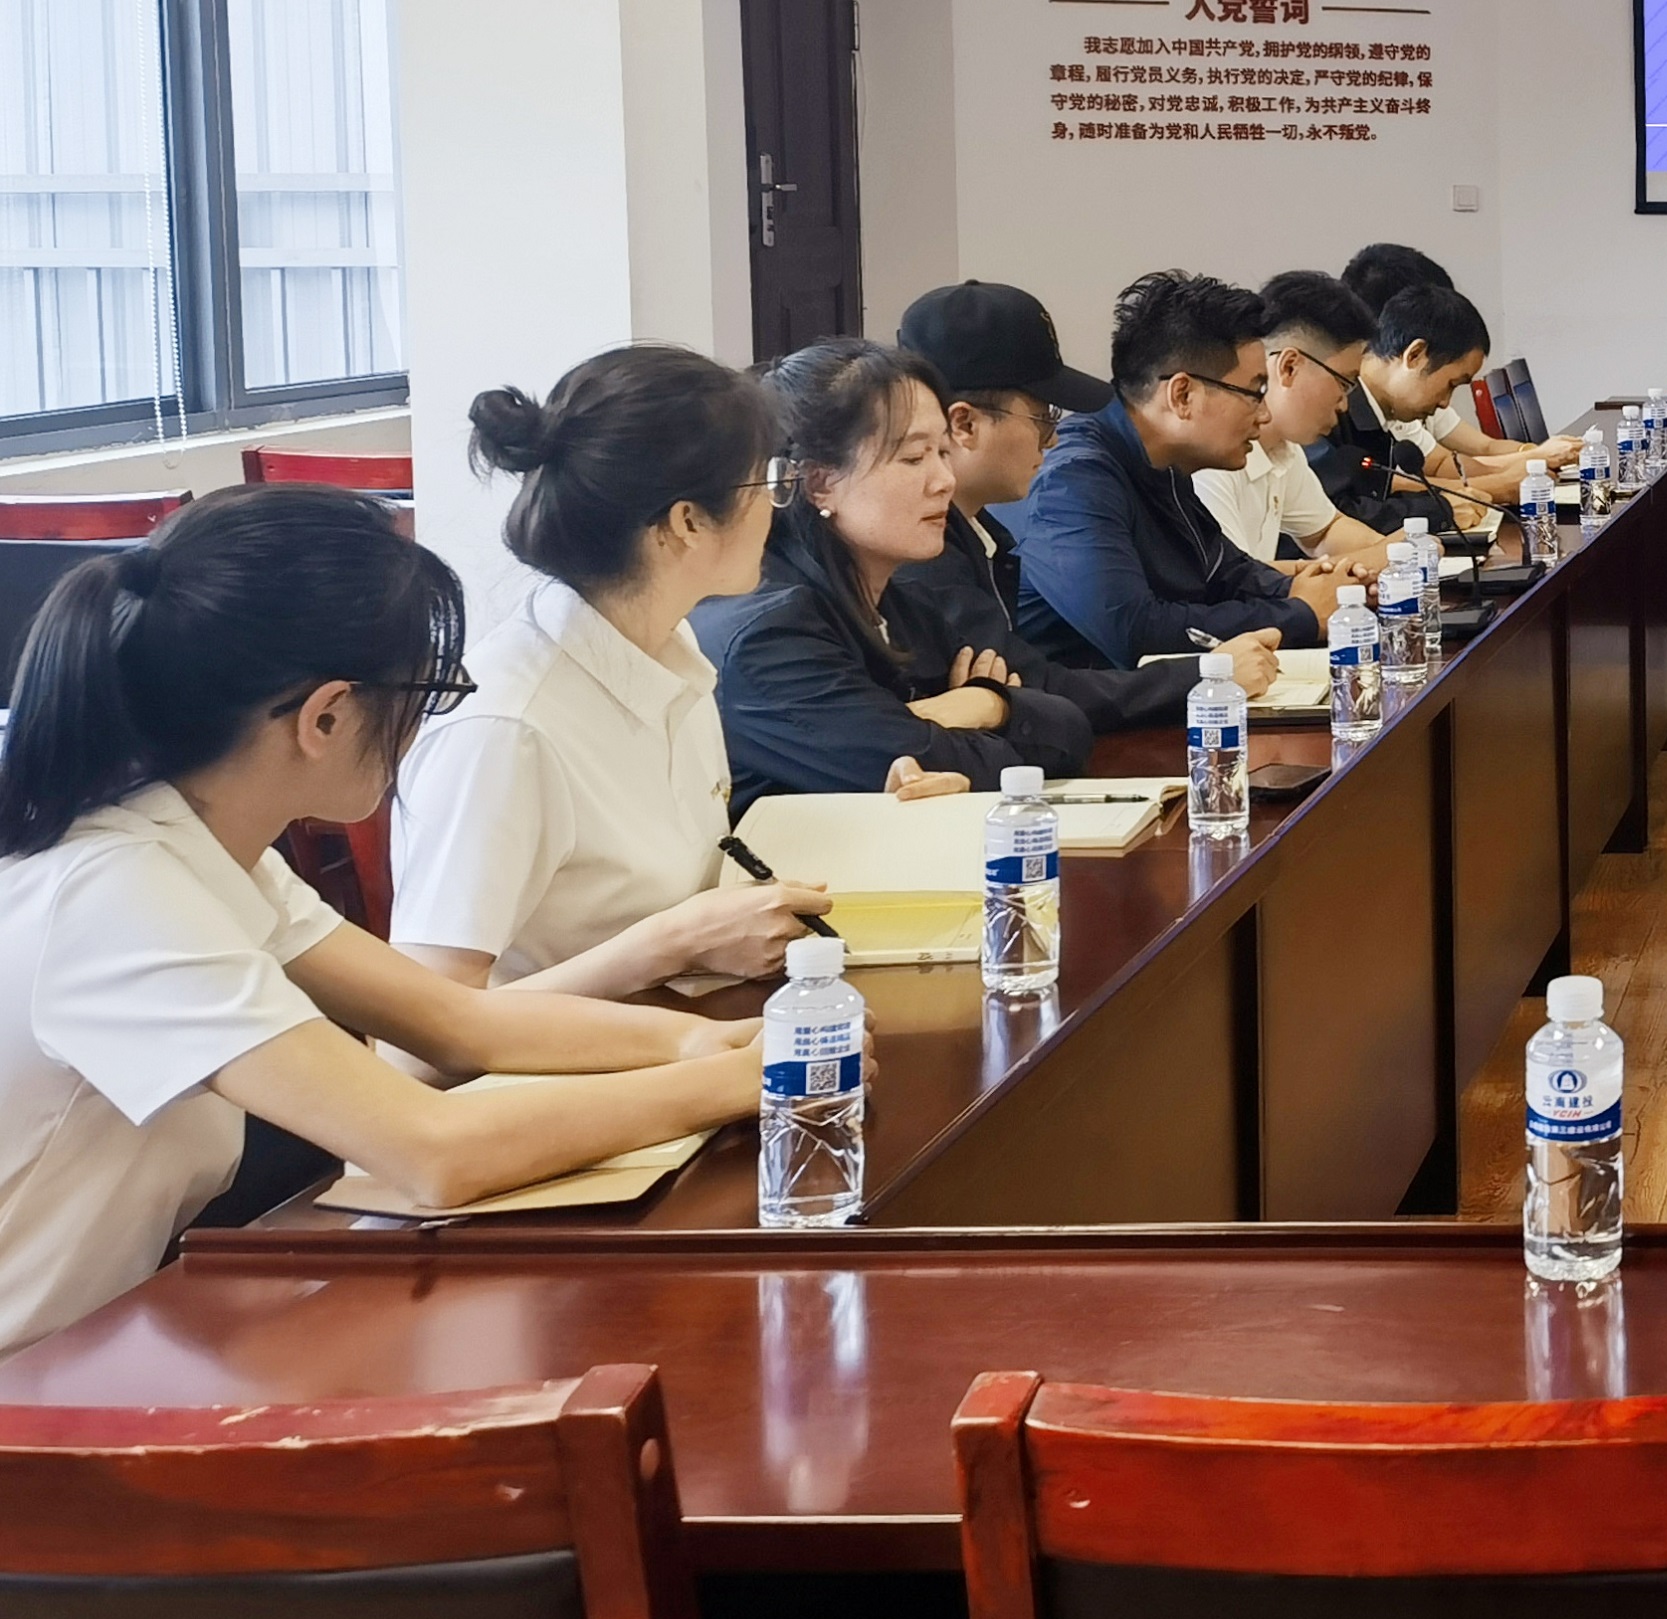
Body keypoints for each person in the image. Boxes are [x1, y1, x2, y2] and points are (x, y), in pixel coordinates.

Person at [0, 488, 760, 1352]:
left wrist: (704, 1042)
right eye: (423, 692)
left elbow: (459, 1022)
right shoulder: (113, 895)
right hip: (37, 1378)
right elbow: (431, 1149)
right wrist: (739, 1083)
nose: (424, 725)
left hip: (105, 1340)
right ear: (325, 715)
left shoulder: (205, 843)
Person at [392, 349, 830, 997]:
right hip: (567, 1058)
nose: (776, 505)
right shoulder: (505, 729)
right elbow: (420, 1030)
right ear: (686, 522)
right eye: (765, 482)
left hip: (681, 1028)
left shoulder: (670, 649)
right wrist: (669, 946)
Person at [698, 341, 1100, 808]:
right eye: (913, 458)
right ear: (820, 483)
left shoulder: (899, 603)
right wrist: (972, 720)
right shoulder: (768, 636)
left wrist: (987, 702)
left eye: (943, 452)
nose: (945, 480)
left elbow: (1069, 729)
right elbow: (915, 766)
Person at [890, 279, 1217, 728]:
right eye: (1043, 417)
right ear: (964, 424)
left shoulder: (980, 534)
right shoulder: (919, 556)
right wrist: (1206, 675)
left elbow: (1019, 692)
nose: (1053, 439)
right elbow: (1035, 688)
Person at [1009, 271, 1349, 669]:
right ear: (1182, 395)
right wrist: (1301, 614)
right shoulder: (1073, 481)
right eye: (1254, 393)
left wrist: (1309, 589)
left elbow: (1224, 571)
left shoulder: (1166, 460)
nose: (1265, 414)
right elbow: (1137, 634)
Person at [1199, 270, 1391, 574]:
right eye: (1344, 383)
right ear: (1290, 367)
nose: (1344, 405)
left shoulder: (1283, 450)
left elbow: (1324, 532)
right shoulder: (1212, 456)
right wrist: (1363, 563)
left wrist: (1397, 551)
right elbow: (1237, 580)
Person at [1319, 279, 1498, 535]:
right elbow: (1339, 514)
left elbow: (1378, 497)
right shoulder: (1329, 413)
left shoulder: (1380, 416)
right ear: (1415, 355)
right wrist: (1441, 512)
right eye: (1451, 384)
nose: (1445, 403)